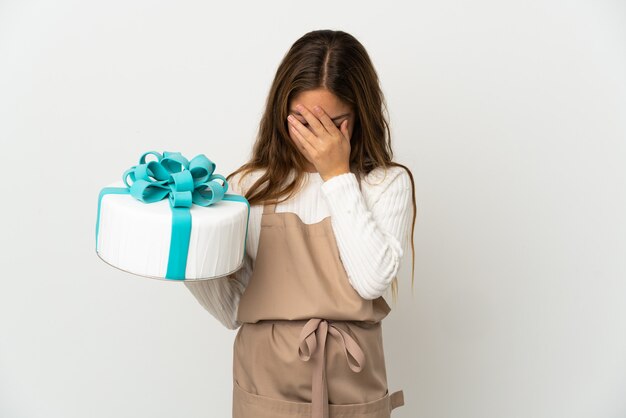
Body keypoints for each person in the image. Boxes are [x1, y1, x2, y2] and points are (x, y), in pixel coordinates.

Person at [184, 29, 417, 418]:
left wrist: (337, 175)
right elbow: (231, 310)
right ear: (282, 112)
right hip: (265, 383)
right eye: (302, 122)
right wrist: (188, 255)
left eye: (332, 123)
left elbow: (371, 281)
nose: (316, 139)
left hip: (353, 385)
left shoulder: (385, 184)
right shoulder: (248, 186)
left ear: (360, 114)